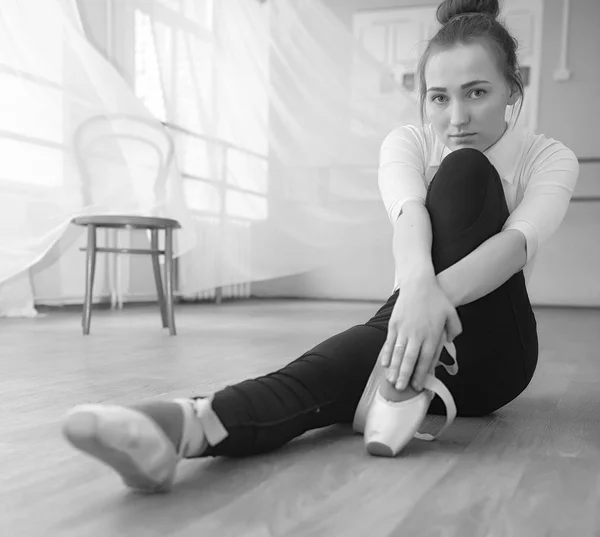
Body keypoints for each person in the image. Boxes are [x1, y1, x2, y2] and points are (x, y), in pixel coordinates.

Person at [62, 0, 580, 493]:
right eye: (439, 97)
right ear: (423, 99)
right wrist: (416, 293)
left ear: (513, 90)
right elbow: (410, 217)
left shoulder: (548, 157)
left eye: (477, 93)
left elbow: (516, 246)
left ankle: (384, 372)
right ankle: (187, 426)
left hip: (493, 356)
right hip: (402, 334)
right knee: (335, 372)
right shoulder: (408, 142)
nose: (456, 118)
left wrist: (422, 304)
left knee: (465, 169)